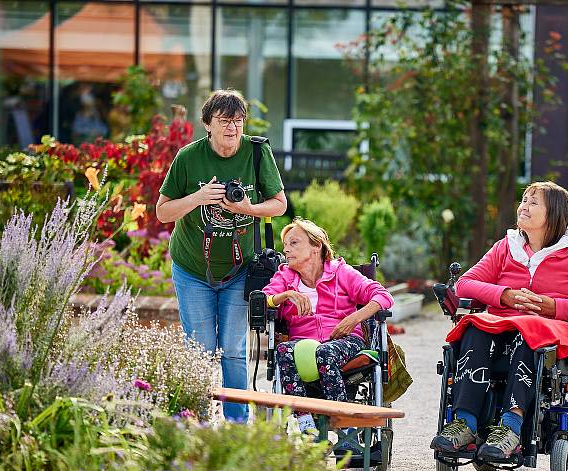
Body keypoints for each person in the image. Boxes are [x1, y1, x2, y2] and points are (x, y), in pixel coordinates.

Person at [430, 181, 568, 461]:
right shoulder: (507, 246)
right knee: (473, 326)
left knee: (530, 331)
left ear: (553, 215)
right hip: (503, 327)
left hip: (552, 333)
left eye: (533, 202)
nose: (523, 206)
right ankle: (465, 424)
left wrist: (553, 306)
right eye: (524, 200)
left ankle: (511, 428)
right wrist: (505, 296)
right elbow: (465, 284)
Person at [156, 89, 287, 422]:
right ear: (207, 125)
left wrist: (248, 208)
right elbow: (163, 212)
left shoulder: (257, 153)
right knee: (199, 350)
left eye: (238, 120)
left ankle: (237, 424)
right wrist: (199, 197)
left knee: (233, 349)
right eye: (224, 120)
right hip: (192, 269)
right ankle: (196, 420)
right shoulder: (188, 157)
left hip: (239, 269)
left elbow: (280, 203)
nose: (233, 127)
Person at [262, 218, 394, 435]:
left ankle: (342, 423)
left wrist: (353, 319)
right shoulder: (285, 276)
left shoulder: (341, 272)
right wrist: (285, 295)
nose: (286, 250)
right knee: (283, 351)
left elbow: (383, 296)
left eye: (294, 243)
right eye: (285, 245)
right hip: (302, 344)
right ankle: (307, 425)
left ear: (316, 246)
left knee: (324, 352)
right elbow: (261, 299)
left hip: (346, 341)